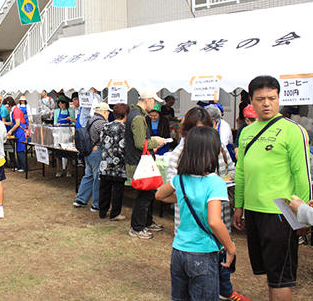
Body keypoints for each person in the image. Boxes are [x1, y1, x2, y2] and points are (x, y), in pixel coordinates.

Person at [233, 75, 311, 301]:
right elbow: (241, 171)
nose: (266, 103)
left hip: (280, 212)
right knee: (269, 272)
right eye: (260, 99)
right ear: (251, 101)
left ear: (278, 99)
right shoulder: (246, 131)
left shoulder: (292, 130)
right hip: (254, 211)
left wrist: (302, 214)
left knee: (281, 277)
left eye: (271, 98)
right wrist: (239, 206)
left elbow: (302, 175)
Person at [166, 107, 247, 301]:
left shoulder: (218, 149)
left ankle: (225, 289)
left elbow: (231, 170)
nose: (200, 136)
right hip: (194, 229)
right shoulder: (179, 154)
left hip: (216, 216)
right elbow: (171, 189)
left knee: (217, 259)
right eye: (195, 131)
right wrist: (196, 194)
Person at [156, 126, 236, 301]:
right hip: (203, 253)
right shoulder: (215, 183)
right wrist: (230, 248)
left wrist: (185, 198)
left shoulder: (179, 179)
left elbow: (159, 195)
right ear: (213, 152)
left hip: (179, 252)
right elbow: (214, 221)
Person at [126, 90, 167, 239]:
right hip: (140, 161)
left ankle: (147, 222)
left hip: (140, 160)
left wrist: (153, 139)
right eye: (154, 101)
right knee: (144, 196)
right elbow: (139, 143)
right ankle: (137, 227)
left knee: (148, 194)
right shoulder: (137, 117)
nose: (155, 105)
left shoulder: (135, 114)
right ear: (148, 100)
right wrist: (156, 141)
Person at [73, 102, 110, 211]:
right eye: (108, 112)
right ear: (104, 111)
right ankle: (96, 204)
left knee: (88, 175)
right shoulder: (101, 123)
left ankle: (80, 199)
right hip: (96, 152)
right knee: (97, 178)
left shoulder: (90, 120)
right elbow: (107, 138)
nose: (108, 114)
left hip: (88, 152)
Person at [98, 103, 129, 221]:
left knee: (104, 188)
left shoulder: (106, 126)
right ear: (126, 115)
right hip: (119, 163)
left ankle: (102, 211)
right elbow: (126, 146)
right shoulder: (125, 128)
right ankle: (115, 213)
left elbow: (101, 141)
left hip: (105, 161)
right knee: (117, 189)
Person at [54, 94, 76, 177]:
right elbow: (55, 122)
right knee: (58, 152)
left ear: (66, 103)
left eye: (62, 103)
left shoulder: (71, 111)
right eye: (59, 103)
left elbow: (74, 123)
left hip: (68, 134)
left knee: (69, 153)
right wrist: (57, 124)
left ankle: (69, 170)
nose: (61, 105)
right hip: (59, 134)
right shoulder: (56, 111)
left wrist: (70, 121)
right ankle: (59, 170)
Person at [6, 97, 28, 172]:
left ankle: (24, 167)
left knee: (20, 149)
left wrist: (10, 131)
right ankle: (19, 166)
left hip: (20, 131)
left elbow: (17, 124)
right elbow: (13, 123)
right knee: (17, 150)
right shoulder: (13, 111)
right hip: (17, 131)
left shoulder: (16, 110)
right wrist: (5, 123)